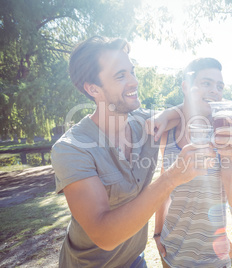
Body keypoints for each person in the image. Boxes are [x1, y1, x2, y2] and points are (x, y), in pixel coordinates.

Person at [51, 36, 216, 267]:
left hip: (135, 261)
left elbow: (184, 109)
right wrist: (170, 178)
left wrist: (168, 114)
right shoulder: (72, 149)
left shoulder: (147, 124)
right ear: (92, 89)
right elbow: (104, 235)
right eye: (120, 76)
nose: (134, 82)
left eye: (132, 72)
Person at [152, 58, 232, 267]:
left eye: (219, 86)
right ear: (185, 87)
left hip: (213, 259)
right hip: (171, 253)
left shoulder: (224, 135)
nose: (215, 91)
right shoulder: (168, 133)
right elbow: (164, 190)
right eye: (206, 83)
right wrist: (157, 232)